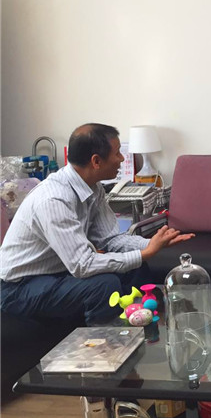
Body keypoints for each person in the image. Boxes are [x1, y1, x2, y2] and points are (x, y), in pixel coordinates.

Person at [0, 123, 194, 325]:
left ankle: (148, 322)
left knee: (135, 268)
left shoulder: (94, 188)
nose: (122, 159)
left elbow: (110, 239)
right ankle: (104, 340)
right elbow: (82, 265)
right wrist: (143, 253)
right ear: (96, 161)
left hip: (57, 272)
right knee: (104, 285)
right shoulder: (54, 200)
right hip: (19, 287)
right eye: (117, 153)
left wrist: (152, 244)